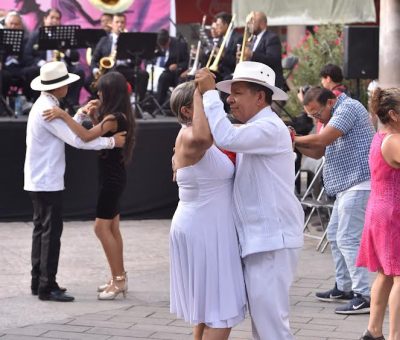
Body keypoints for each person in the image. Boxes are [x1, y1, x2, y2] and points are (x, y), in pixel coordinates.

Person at [195, 62, 304, 339]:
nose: (230, 99)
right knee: (266, 325)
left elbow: (226, 136)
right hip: (263, 239)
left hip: (271, 240)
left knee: (271, 328)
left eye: (238, 92)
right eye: (229, 93)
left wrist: (209, 94)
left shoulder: (268, 127)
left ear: (260, 97)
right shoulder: (260, 126)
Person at [24, 61, 126, 302]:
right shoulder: (48, 110)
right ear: (58, 87)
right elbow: (78, 140)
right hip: (47, 180)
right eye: (66, 84)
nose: (69, 87)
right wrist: (111, 142)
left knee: (41, 230)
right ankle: (47, 286)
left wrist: (78, 114)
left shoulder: (45, 105)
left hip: (38, 179)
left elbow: (68, 130)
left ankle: (38, 281)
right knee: (50, 233)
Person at [169, 80, 246, 339]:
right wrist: (203, 94)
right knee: (221, 310)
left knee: (208, 307)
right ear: (186, 112)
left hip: (205, 225)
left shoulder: (194, 137)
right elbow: (203, 136)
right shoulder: (192, 136)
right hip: (204, 229)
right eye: (200, 101)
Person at [294, 86, 375, 314]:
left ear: (330, 102)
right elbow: (318, 151)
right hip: (346, 187)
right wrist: (294, 142)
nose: (315, 118)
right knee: (335, 236)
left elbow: (322, 139)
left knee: (348, 239)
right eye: (312, 115)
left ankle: (363, 295)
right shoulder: (331, 115)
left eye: (316, 113)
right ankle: (344, 287)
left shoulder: (347, 108)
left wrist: (292, 137)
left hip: (359, 183)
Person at [356, 88, 400, 340]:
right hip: (393, 213)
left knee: (386, 273)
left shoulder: (380, 137)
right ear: (394, 114)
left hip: (379, 209)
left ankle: (373, 330)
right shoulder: (394, 141)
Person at [24, 8, 85, 106]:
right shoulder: (36, 35)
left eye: (57, 18)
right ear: (45, 19)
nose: (54, 21)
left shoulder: (64, 35)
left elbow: (75, 56)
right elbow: (27, 55)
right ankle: (36, 102)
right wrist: (43, 64)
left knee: (79, 72)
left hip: (62, 68)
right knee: (30, 72)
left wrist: (66, 50)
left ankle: (70, 105)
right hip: (43, 69)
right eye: (52, 17)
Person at [89, 13, 149, 104]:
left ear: (125, 24)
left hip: (127, 69)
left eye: (122, 22)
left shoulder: (130, 40)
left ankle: (139, 103)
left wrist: (130, 57)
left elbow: (138, 61)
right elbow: (94, 60)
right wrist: (96, 70)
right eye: (117, 22)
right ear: (112, 24)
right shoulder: (104, 40)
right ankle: (109, 104)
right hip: (110, 70)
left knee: (143, 74)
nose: (120, 24)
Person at [240, 11, 284, 89]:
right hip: (253, 76)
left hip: (266, 79)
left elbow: (273, 60)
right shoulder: (252, 39)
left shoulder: (271, 38)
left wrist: (251, 54)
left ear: (262, 24)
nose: (250, 25)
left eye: (253, 21)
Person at [155, 29, 189, 108]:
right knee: (163, 77)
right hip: (165, 70)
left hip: (178, 72)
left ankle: (175, 105)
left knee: (176, 80)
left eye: (165, 45)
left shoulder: (180, 45)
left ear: (168, 40)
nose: (163, 47)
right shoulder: (157, 44)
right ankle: (159, 104)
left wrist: (178, 65)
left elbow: (186, 62)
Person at [213, 12, 242, 80]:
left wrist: (222, 54)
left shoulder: (238, 38)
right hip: (221, 72)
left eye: (218, 25)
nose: (216, 27)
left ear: (226, 25)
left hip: (231, 74)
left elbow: (237, 62)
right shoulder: (220, 39)